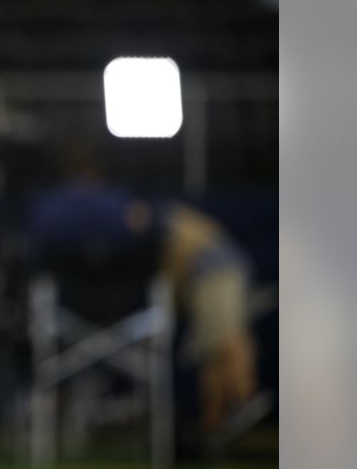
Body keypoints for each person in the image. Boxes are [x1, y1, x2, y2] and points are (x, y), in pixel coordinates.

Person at [29, 149, 259, 435]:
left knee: (222, 342)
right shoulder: (128, 217)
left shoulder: (144, 217)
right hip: (199, 275)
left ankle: (237, 406)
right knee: (211, 349)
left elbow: (168, 260)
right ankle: (216, 425)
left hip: (215, 270)